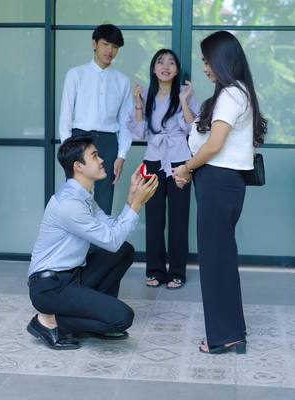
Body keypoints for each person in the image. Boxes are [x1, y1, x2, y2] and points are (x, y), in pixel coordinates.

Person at [173, 31, 267, 353]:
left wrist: (186, 168)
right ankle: (233, 330)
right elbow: (201, 135)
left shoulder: (231, 95)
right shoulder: (234, 94)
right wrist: (190, 169)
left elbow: (214, 146)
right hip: (220, 182)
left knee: (215, 263)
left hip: (218, 182)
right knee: (221, 261)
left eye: (206, 60)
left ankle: (225, 336)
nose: (204, 67)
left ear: (222, 60)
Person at [27, 134, 158, 350]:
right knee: (122, 317)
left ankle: (93, 318)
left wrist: (131, 197)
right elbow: (111, 239)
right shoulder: (69, 204)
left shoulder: (83, 196)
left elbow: (112, 232)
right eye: (95, 156)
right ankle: (48, 322)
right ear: (78, 166)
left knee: (123, 251)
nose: (102, 160)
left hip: (73, 276)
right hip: (50, 287)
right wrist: (136, 204)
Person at [128, 49, 198, 289]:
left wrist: (183, 102)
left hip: (180, 161)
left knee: (179, 219)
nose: (165, 66)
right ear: (154, 68)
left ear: (177, 69)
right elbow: (138, 133)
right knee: (154, 219)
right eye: (160, 62)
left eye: (171, 62)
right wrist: (138, 104)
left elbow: (193, 131)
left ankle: (177, 271)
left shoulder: (185, 93)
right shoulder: (146, 95)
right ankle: (155, 271)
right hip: (153, 161)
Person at [59, 24, 132, 215]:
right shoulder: (76, 74)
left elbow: (126, 123)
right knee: (77, 195)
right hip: (80, 139)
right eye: (105, 44)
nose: (110, 50)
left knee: (104, 198)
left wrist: (121, 155)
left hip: (108, 142)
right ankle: (77, 245)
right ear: (94, 44)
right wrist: (68, 150)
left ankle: (99, 245)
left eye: (115, 46)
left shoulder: (122, 81)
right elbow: (65, 116)